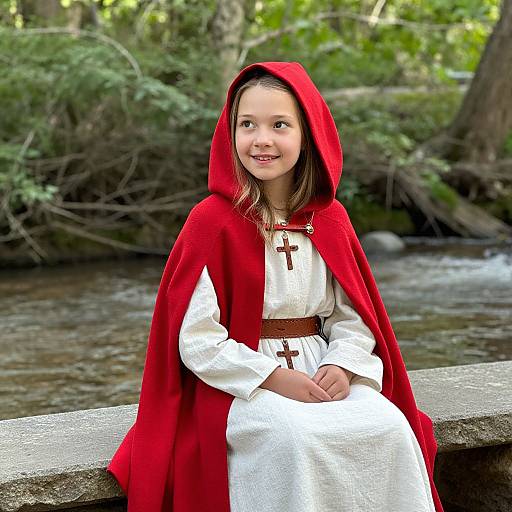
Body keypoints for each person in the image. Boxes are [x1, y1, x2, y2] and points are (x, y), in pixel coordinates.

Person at [107, 61, 443, 512]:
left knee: (388, 426)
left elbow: (354, 317)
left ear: (308, 135)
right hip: (240, 379)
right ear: (231, 134)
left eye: (279, 125)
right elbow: (197, 339)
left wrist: (342, 366)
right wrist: (272, 376)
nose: (261, 139)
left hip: (321, 366)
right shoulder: (211, 221)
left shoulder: (330, 219)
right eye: (247, 124)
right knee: (294, 436)